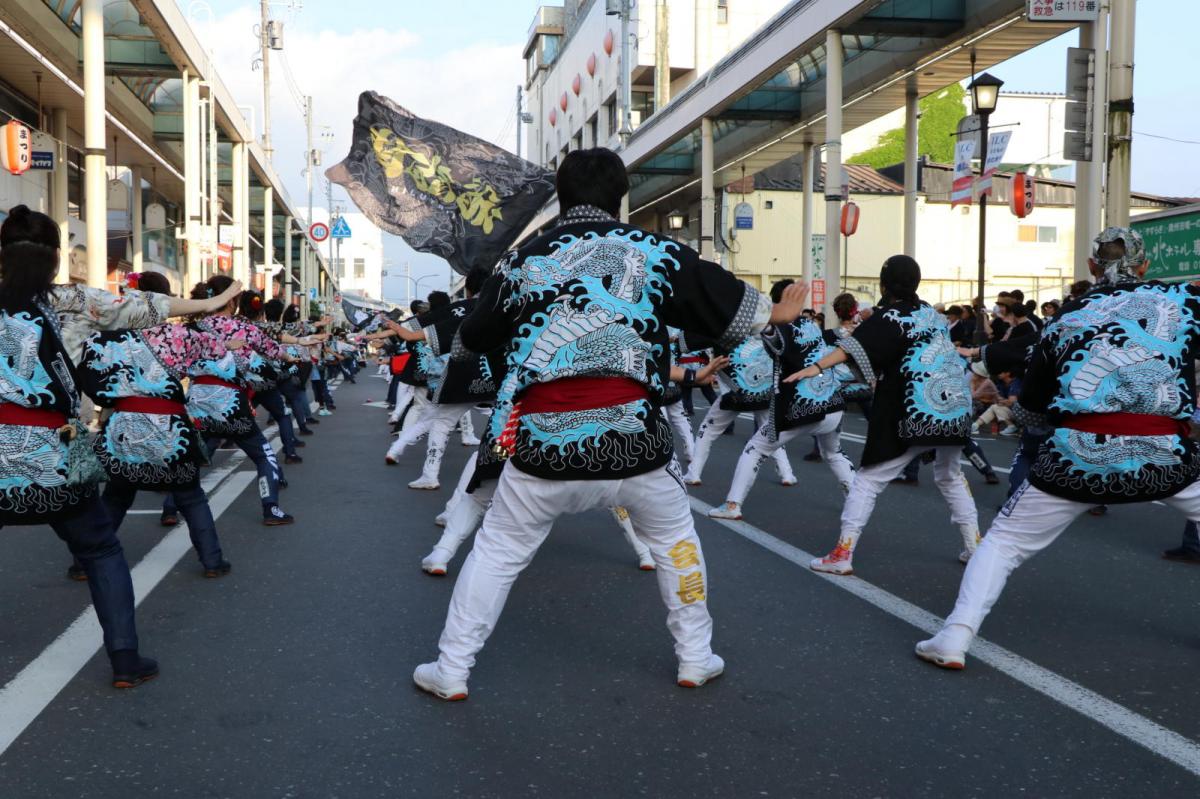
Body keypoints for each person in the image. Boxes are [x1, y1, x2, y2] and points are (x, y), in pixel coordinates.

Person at [412, 148, 808, 700]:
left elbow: (472, 339)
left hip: (544, 443)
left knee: (498, 551)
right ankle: (695, 657)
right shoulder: (656, 251)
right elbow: (736, 312)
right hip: (637, 439)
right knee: (675, 540)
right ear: (621, 196)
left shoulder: (523, 259)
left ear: (562, 196)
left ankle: (452, 669)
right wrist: (777, 312)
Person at [915, 226, 1200, 669]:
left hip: (1077, 456)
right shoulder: (1183, 301)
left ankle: (954, 636)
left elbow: (1031, 413)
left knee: (1003, 542)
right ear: (1145, 266)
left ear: (1091, 267)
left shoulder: (1064, 320)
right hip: (1166, 453)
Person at [0, 205, 238, 687]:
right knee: (102, 550)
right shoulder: (73, 301)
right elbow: (150, 308)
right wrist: (221, 297)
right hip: (50, 453)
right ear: (55, 257)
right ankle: (124, 660)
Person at [786, 255, 980, 575]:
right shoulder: (931, 314)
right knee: (950, 474)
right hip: (955, 405)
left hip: (916, 407)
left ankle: (842, 553)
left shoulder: (891, 315)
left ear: (885, 282)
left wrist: (816, 366)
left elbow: (853, 348)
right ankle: (974, 546)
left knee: (869, 479)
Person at [76, 271, 241, 579]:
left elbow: (93, 381)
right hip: (170, 428)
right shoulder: (184, 337)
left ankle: (84, 565)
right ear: (167, 302)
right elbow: (219, 351)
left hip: (124, 426)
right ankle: (212, 561)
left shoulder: (108, 338)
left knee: (116, 495)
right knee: (190, 497)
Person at [708, 279, 855, 521]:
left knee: (755, 448)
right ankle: (855, 501)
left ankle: (733, 504)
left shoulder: (775, 328)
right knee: (835, 453)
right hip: (832, 400)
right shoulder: (810, 325)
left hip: (801, 406)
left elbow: (759, 339)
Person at [163, 275, 295, 526]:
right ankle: (271, 509)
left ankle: (169, 508)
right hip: (230, 403)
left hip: (198, 402)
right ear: (232, 300)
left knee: (191, 458)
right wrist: (290, 358)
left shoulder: (192, 329)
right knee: (263, 456)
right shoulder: (244, 328)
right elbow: (272, 350)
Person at [382, 267, 494, 489]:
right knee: (507, 428)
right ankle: (503, 466)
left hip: (461, 378)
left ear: (469, 290)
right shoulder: (505, 307)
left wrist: (394, 326)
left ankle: (429, 473)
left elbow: (411, 332)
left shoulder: (459, 309)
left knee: (438, 421)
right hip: (499, 380)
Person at [972, 365, 1022, 436]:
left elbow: (1011, 402)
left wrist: (1002, 401)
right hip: (1007, 410)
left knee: (995, 407)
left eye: (1000, 372)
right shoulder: (1001, 383)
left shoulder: (1016, 382)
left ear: (1008, 373)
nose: (998, 374)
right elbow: (999, 398)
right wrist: (1001, 401)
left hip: (1018, 412)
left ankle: (1011, 426)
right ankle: (975, 425)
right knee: (995, 407)